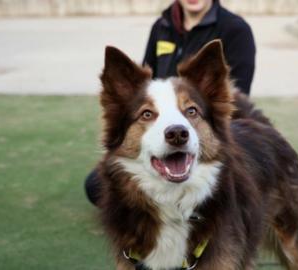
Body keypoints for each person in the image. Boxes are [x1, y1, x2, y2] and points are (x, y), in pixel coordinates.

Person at [85, 0, 256, 206]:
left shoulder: (235, 30)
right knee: (95, 186)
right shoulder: (162, 26)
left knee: (236, 180)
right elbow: (147, 84)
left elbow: (235, 98)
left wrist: (192, 114)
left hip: (206, 125)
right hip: (161, 125)